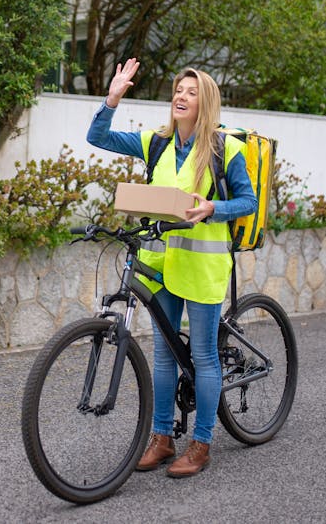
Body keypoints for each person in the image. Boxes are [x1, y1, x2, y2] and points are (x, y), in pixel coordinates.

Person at [86, 58, 257, 478]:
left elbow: (248, 202)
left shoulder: (224, 148)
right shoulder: (157, 143)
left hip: (201, 266)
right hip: (162, 263)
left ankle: (201, 444)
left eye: (191, 92)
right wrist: (113, 97)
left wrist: (215, 208)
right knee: (164, 354)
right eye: (178, 90)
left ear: (206, 103)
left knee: (202, 355)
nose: (181, 96)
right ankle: (162, 438)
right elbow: (98, 137)